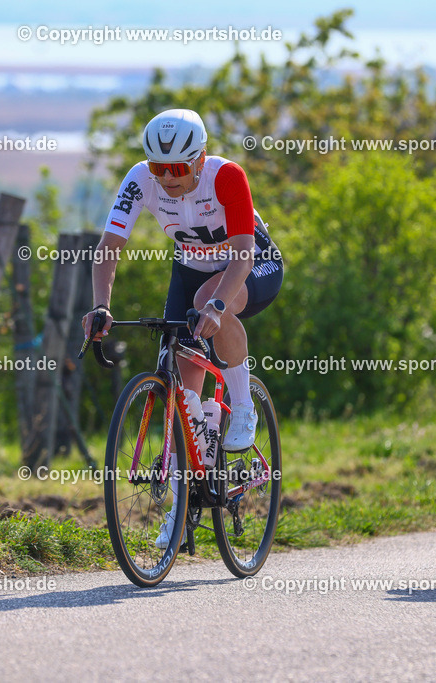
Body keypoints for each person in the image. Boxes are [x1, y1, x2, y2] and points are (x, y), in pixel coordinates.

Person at [82, 109, 284, 545]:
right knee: (184, 393)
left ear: (200, 158)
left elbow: (243, 254)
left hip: (251, 265)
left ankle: (242, 405)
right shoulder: (140, 179)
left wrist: (217, 306)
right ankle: (185, 500)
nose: (167, 178)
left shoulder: (226, 176)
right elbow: (108, 247)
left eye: (177, 168)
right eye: (159, 168)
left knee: (206, 304)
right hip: (191, 269)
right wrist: (101, 306)